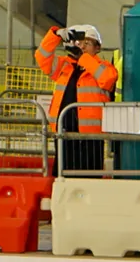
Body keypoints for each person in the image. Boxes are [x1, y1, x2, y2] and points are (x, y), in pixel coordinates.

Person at [35, 23, 117, 171]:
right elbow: (42, 57)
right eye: (79, 43)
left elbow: (107, 79)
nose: (82, 46)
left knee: (89, 177)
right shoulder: (64, 65)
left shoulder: (104, 67)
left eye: (87, 43)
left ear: (97, 48)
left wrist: (83, 58)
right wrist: (56, 35)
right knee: (62, 175)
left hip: (91, 137)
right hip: (63, 131)